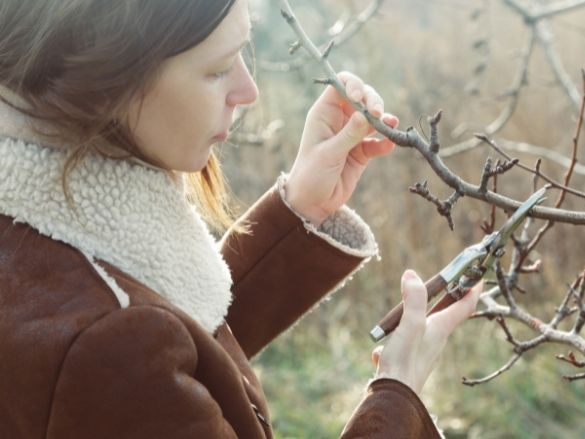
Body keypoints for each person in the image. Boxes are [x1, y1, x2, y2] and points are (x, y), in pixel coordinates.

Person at [0, 1, 480, 438]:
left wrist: (302, 207)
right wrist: (398, 394)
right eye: (218, 69)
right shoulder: (105, 347)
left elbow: (179, 361)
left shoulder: (40, 235)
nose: (247, 91)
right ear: (108, 78)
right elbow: (137, 359)